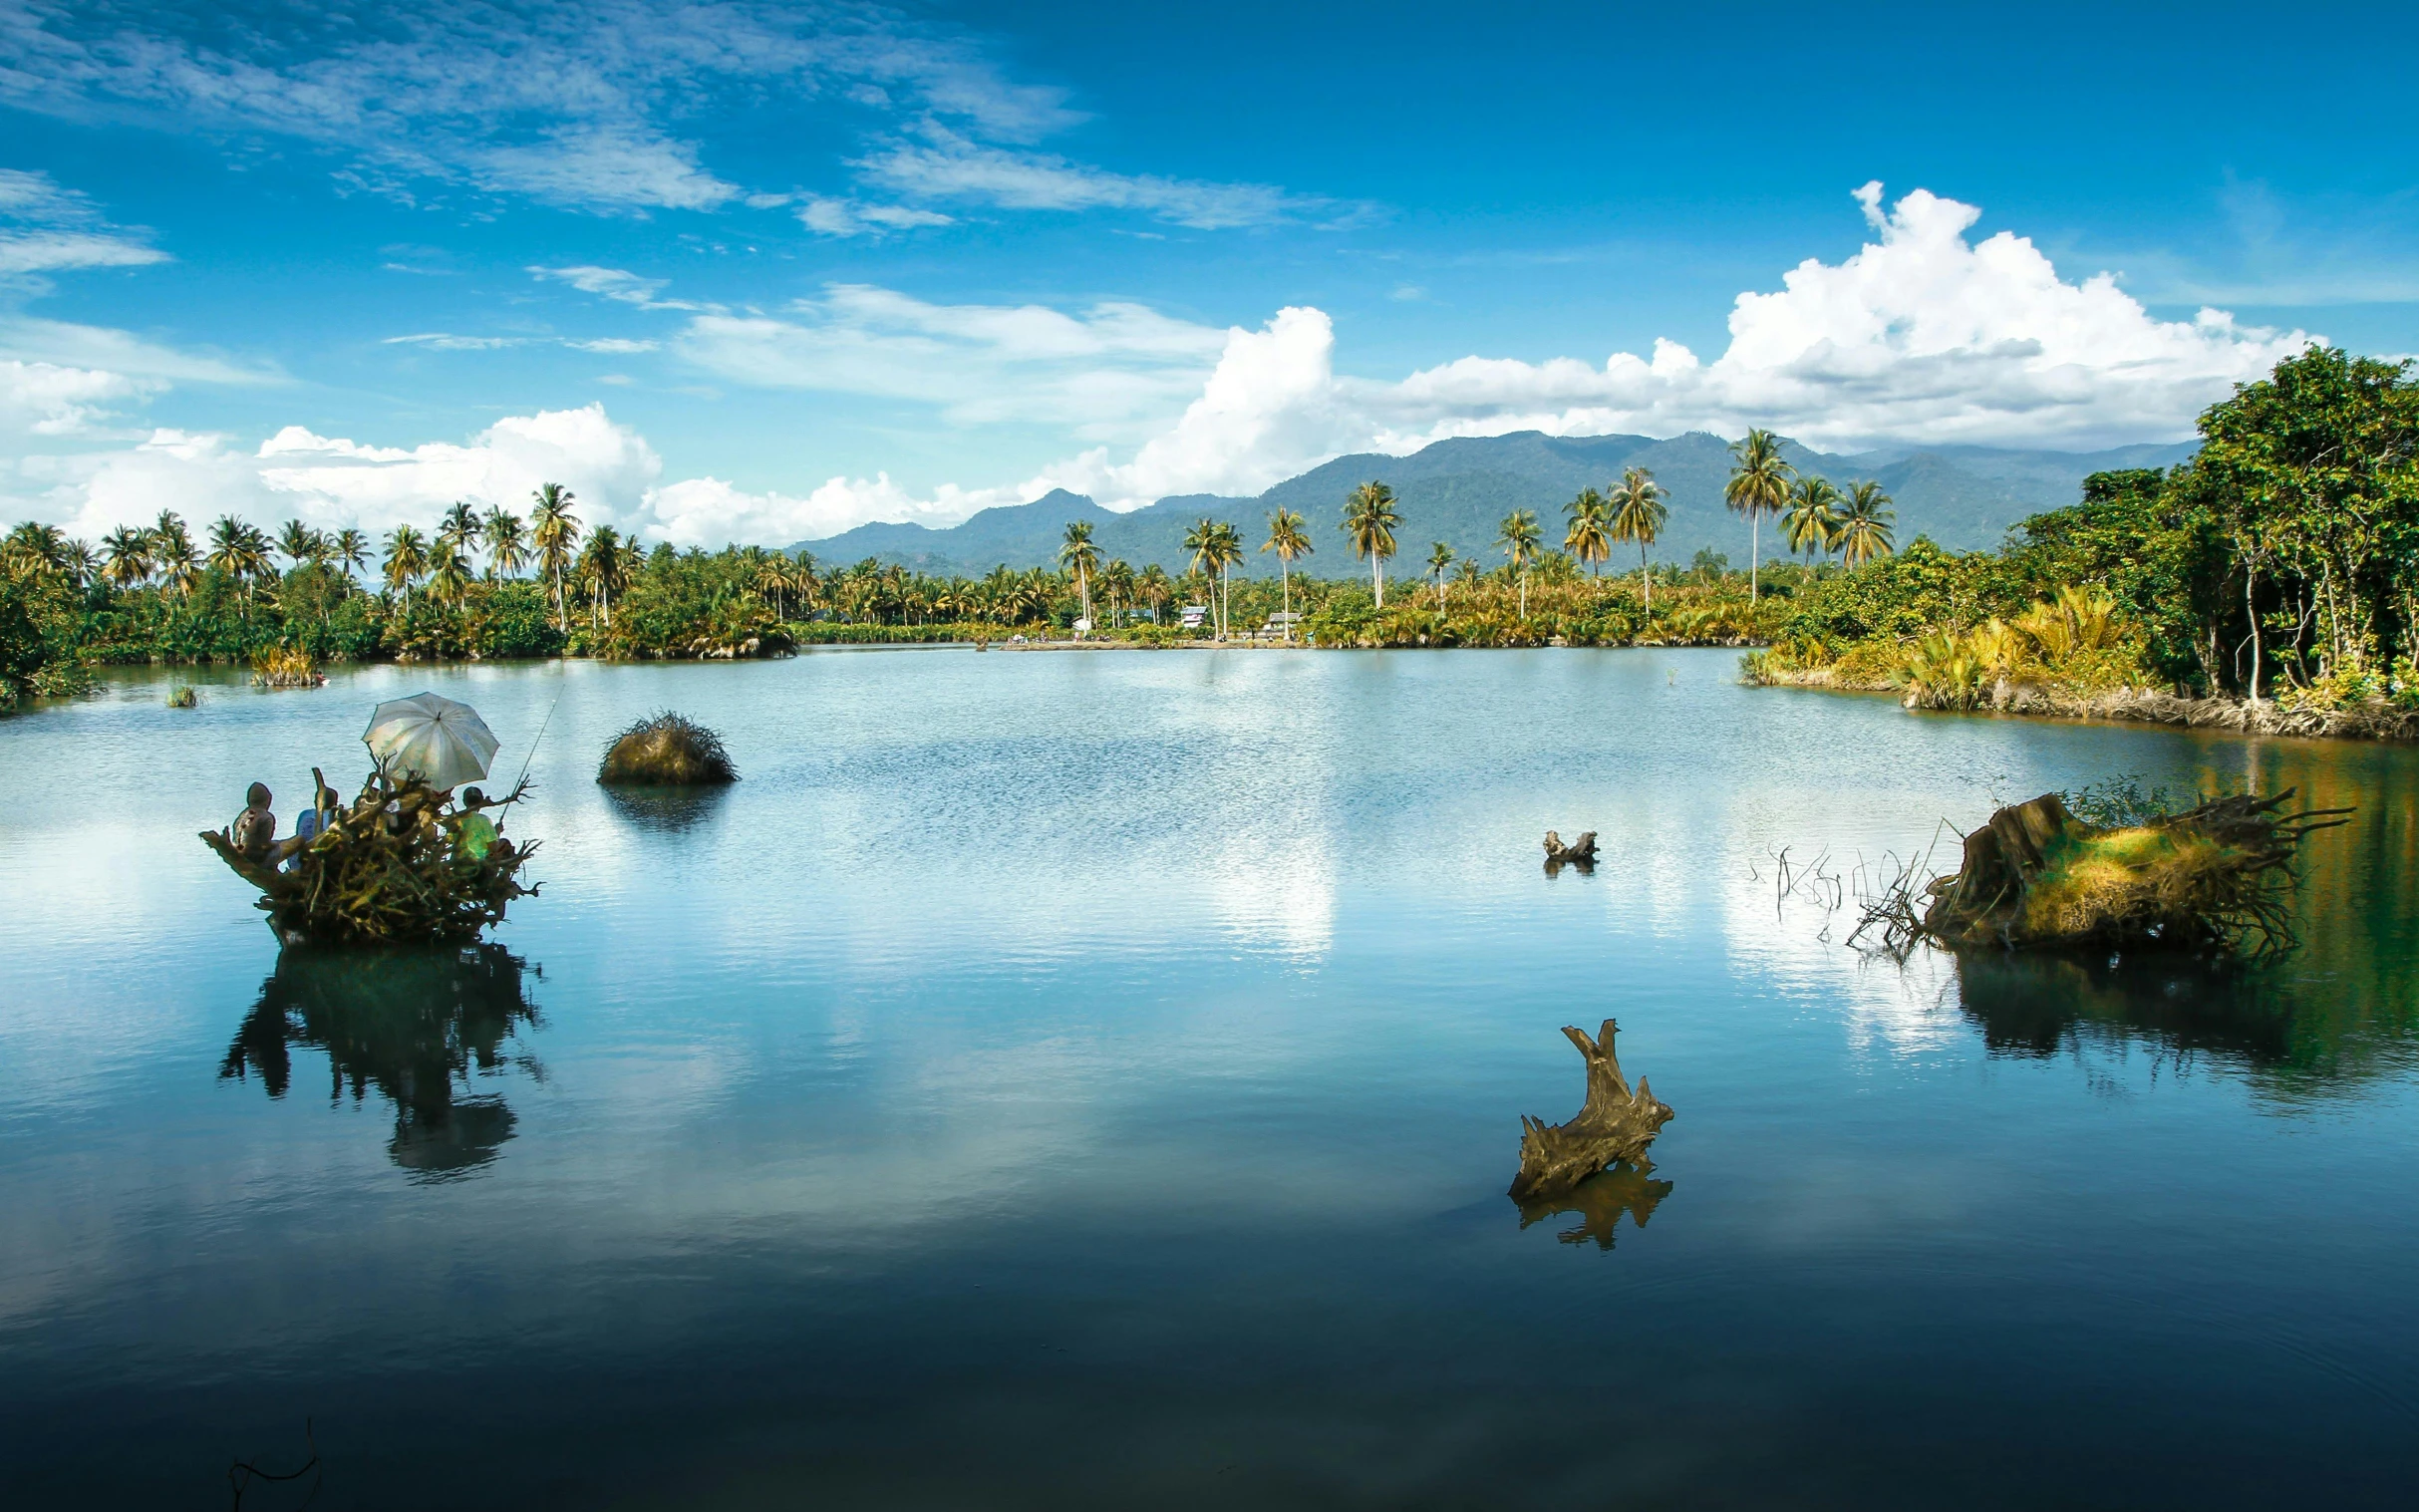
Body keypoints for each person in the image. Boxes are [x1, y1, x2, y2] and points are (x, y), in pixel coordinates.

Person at [232, 782, 276, 861]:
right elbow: (265, 845)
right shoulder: (266, 817)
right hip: (254, 856)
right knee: (297, 841)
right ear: (267, 800)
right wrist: (277, 844)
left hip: (237, 853)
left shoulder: (243, 815)